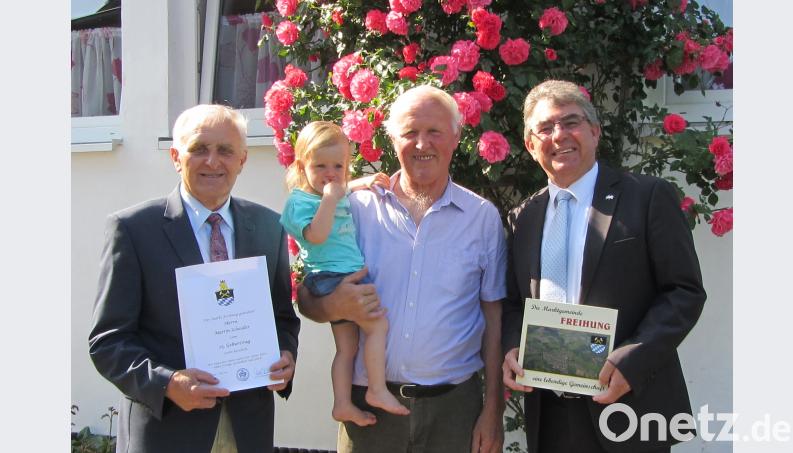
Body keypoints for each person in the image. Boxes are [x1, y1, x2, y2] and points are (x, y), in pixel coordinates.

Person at [296, 85, 507, 453]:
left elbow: (493, 318)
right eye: (410, 132)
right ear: (392, 137)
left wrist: (492, 411)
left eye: (434, 132)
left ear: (456, 137)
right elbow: (308, 294)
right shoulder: (355, 209)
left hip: (454, 411)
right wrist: (335, 305)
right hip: (369, 413)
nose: (422, 144)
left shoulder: (482, 218)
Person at [501, 80, 707, 453]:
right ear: (531, 146)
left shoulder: (646, 196)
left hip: (628, 403)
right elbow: (515, 302)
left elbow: (684, 291)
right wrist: (513, 346)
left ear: (595, 132)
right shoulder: (523, 217)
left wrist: (633, 361)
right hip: (549, 412)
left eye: (571, 122)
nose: (559, 135)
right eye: (545, 128)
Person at [88, 104, 301, 453]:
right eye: (199, 149)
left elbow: (282, 319)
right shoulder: (133, 230)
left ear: (242, 160)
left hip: (247, 429)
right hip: (168, 431)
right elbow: (108, 342)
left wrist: (285, 355)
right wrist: (168, 383)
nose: (213, 162)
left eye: (225, 151)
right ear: (176, 156)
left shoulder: (268, 227)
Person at [279, 121, 408, 426]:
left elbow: (340, 189)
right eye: (320, 165)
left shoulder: (333, 192)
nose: (330, 173)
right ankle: (377, 389)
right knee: (377, 326)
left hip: (340, 276)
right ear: (301, 166)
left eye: (338, 165)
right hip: (328, 279)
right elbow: (317, 235)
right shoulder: (299, 202)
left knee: (347, 347)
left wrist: (360, 183)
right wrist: (329, 198)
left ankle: (342, 405)